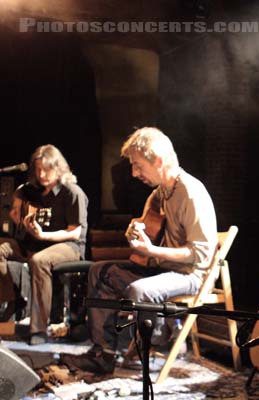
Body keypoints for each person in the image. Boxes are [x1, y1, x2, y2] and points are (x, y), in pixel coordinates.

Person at [62, 127, 217, 374]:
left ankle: (154, 344)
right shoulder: (159, 194)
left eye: (138, 165)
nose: (134, 173)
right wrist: (134, 232)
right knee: (100, 271)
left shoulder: (191, 193)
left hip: (190, 275)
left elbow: (201, 255)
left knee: (139, 290)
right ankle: (104, 354)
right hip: (160, 269)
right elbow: (147, 227)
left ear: (158, 161)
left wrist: (153, 250)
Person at [0, 144, 88, 345]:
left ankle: (38, 329)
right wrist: (21, 221)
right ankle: (12, 298)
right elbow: (19, 213)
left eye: (46, 169)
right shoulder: (32, 192)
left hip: (68, 247)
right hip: (33, 243)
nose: (41, 174)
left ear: (58, 168)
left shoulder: (72, 192)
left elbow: (75, 232)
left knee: (39, 261)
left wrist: (43, 236)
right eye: (38, 169)